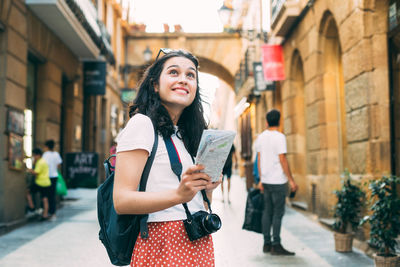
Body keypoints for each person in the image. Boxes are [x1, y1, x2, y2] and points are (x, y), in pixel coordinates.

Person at [113, 49, 221, 266]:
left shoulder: (184, 134)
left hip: (196, 240)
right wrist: (178, 195)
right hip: (162, 243)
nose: (183, 79)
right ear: (155, 84)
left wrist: (207, 187)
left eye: (190, 75)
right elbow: (121, 200)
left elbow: (189, 197)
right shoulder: (142, 124)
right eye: (173, 72)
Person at [255, 109, 298, 256]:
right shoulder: (280, 137)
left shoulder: (261, 137)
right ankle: (276, 244)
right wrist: (291, 180)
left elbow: (259, 159)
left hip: (266, 181)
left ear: (267, 122)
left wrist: (261, 179)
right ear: (279, 121)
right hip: (278, 181)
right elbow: (283, 159)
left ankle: (266, 244)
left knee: (267, 211)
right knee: (278, 213)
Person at [26, 148, 51, 220]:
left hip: (40, 182)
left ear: (38, 155)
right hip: (47, 182)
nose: (34, 157)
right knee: (45, 199)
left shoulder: (40, 162)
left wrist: (29, 170)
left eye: (34, 155)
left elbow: (36, 172)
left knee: (28, 191)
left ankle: (31, 207)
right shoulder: (44, 161)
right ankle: (45, 215)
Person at [42, 139, 62, 220]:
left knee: (45, 195)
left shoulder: (45, 154)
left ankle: (46, 211)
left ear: (46, 146)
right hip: (54, 176)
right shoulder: (56, 154)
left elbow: (43, 165)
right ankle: (53, 213)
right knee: (52, 195)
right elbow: (58, 165)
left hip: (46, 176)